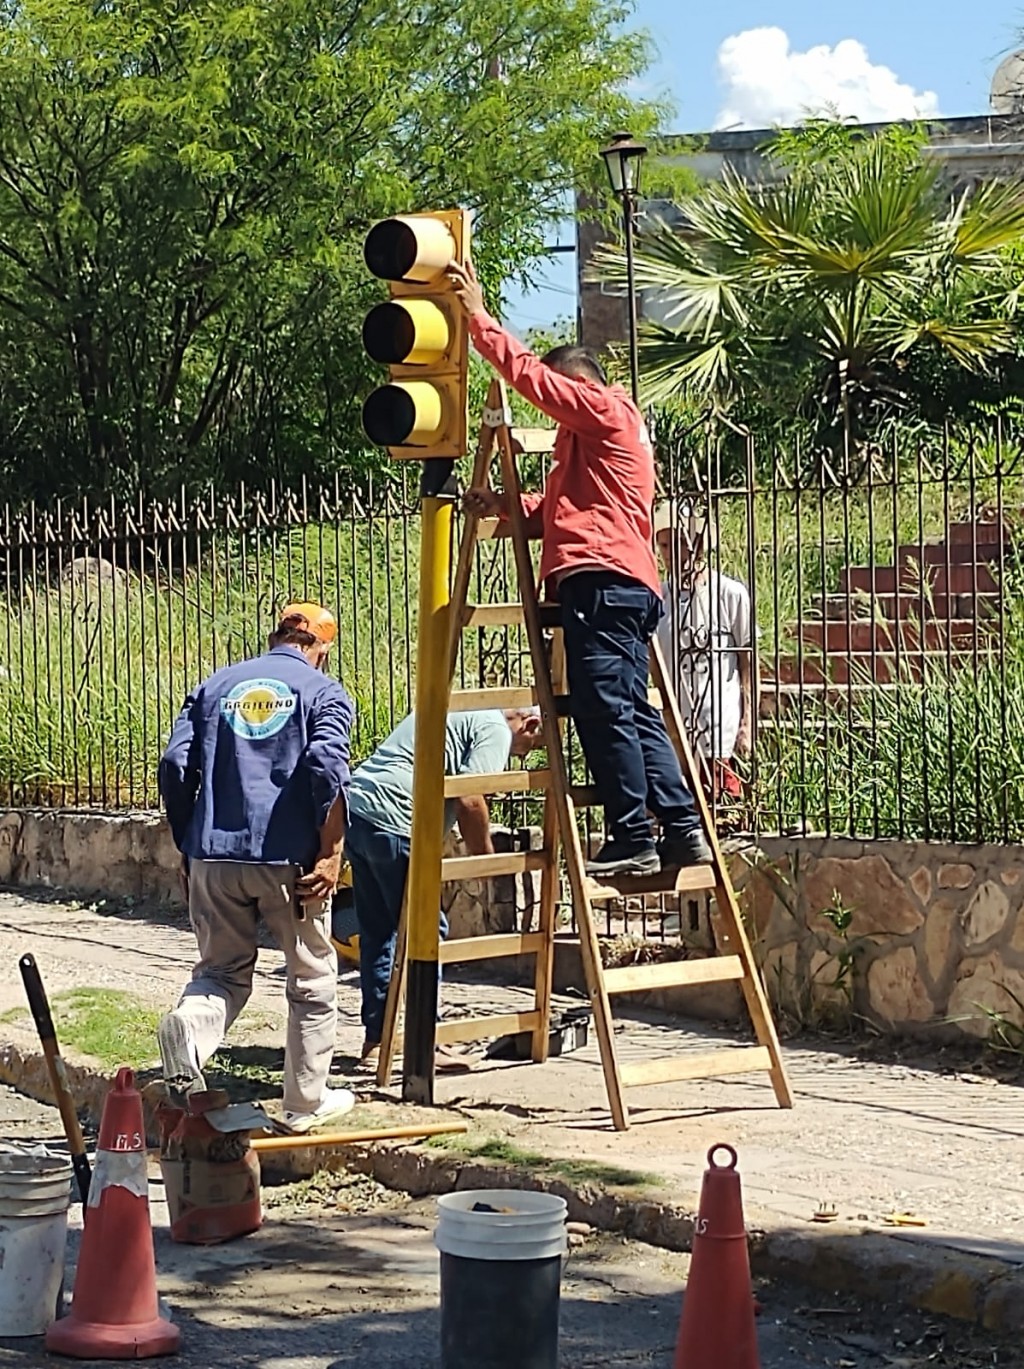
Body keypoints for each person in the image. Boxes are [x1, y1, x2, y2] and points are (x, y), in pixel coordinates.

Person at [447, 258, 711, 878]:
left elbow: (537, 382)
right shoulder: (588, 446)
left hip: (602, 580)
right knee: (629, 708)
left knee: (604, 707)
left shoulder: (607, 410)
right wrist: (509, 508)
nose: (557, 411)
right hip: (618, 579)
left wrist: (480, 321)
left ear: (584, 386)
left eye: (567, 397)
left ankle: (631, 833)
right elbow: (566, 509)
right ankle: (679, 826)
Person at [157, 602, 356, 1134]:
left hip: (213, 856)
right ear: (321, 649)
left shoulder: (214, 686)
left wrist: (188, 844)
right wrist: (331, 850)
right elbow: (326, 768)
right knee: (311, 977)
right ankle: (304, 1104)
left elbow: (176, 766)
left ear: (275, 637)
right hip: (289, 859)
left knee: (220, 972)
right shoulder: (323, 693)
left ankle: (189, 1032)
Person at [347, 707, 545, 1072]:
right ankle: (425, 1044)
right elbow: (470, 798)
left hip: (357, 812)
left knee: (380, 932)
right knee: (425, 931)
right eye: (532, 745)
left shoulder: (461, 712)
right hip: (397, 819)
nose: (525, 754)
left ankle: (377, 1041)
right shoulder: (496, 729)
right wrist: (486, 861)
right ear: (530, 724)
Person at [654, 504, 754, 808]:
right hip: (673, 724)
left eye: (677, 543)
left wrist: (747, 721)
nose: (669, 553)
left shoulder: (730, 594)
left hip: (719, 723)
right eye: (663, 545)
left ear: (696, 543)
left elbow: (748, 661)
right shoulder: (658, 598)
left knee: (723, 809)